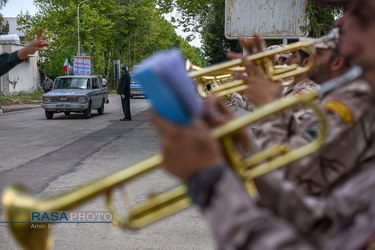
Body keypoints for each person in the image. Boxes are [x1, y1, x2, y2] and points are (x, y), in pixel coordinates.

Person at [149, 0, 375, 248]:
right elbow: (322, 223)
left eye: (361, 12)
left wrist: (211, 181)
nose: (339, 23)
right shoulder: (348, 96)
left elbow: (291, 178)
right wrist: (238, 146)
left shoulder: (348, 102)